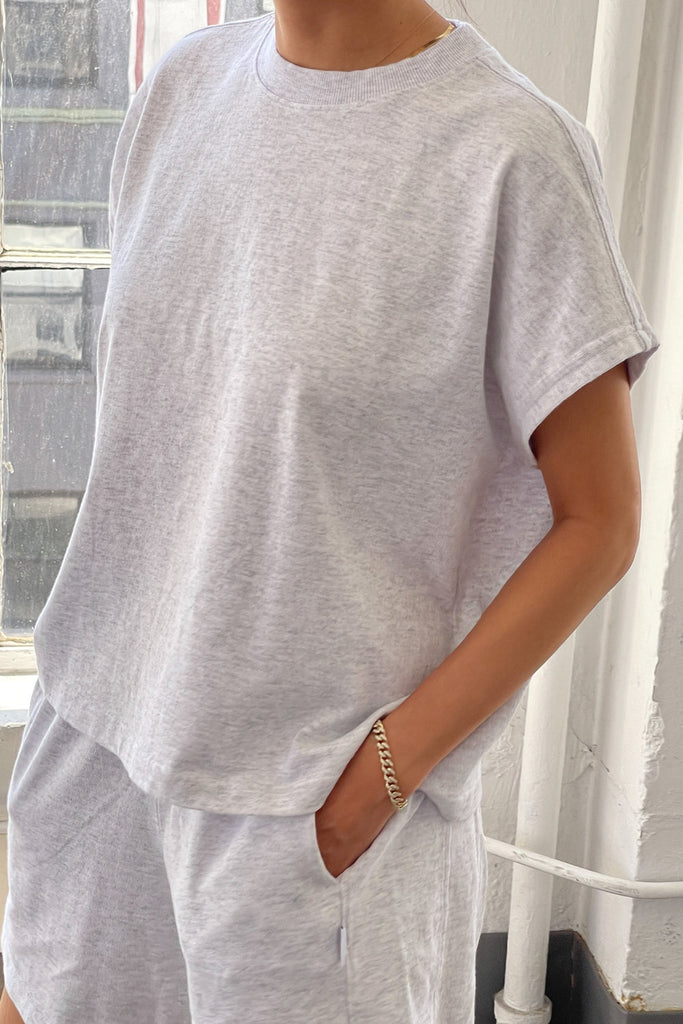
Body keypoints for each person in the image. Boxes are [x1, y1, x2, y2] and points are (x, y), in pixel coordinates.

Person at [0, 1, 661, 1022]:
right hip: (97, 760)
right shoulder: (181, 89)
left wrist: (381, 777)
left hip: (306, 817)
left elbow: (600, 522)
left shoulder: (509, 151)